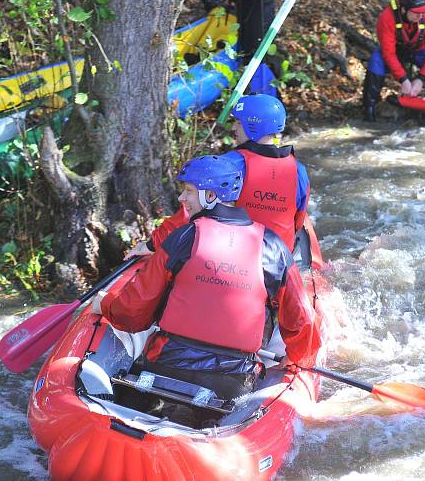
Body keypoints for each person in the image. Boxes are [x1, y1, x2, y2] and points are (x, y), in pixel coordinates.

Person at [97, 155, 321, 402]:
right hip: (234, 381)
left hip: (167, 365)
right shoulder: (273, 247)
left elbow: (131, 312)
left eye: (189, 191)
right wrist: (300, 356)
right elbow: (302, 318)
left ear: (211, 196)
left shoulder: (183, 238)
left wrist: (106, 305)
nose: (182, 199)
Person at [128, 94, 310, 255]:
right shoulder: (299, 169)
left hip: (233, 256)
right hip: (279, 258)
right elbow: (299, 220)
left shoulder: (228, 165)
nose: (233, 128)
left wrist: (152, 245)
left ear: (252, 126)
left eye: (238, 123)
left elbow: (190, 212)